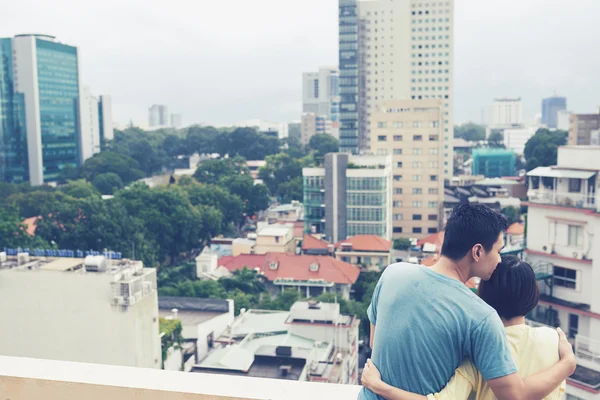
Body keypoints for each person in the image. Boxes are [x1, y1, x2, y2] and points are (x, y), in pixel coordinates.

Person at [358, 204, 575, 400]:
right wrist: (567, 364)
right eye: (498, 251)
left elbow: (375, 344)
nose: (500, 259)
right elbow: (514, 395)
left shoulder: (393, 273)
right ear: (478, 251)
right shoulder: (480, 316)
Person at [361, 255, 566, 400]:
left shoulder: (476, 355)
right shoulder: (554, 341)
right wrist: (568, 363)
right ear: (533, 295)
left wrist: (379, 386)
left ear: (484, 293)